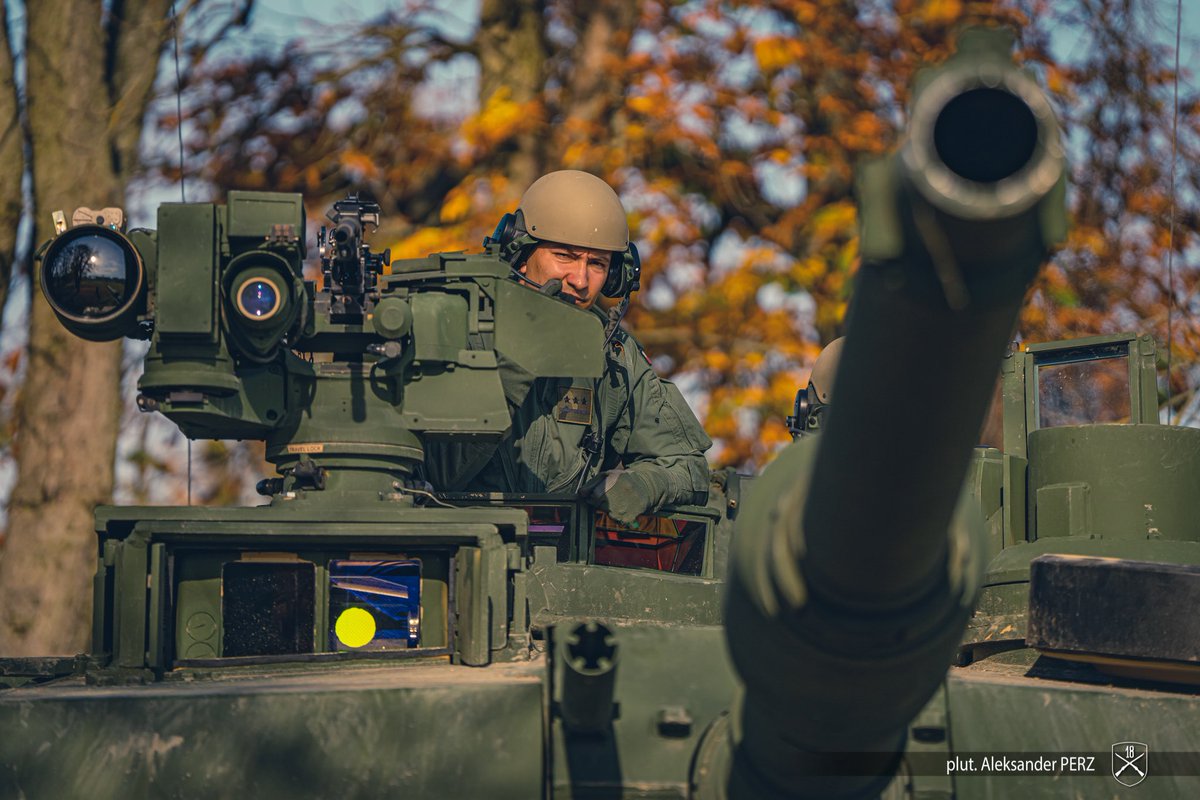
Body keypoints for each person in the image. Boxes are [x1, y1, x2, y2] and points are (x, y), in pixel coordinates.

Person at [424, 170, 711, 525]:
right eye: (565, 256)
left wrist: (646, 484)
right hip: (461, 556)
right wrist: (514, 366)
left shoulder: (614, 354)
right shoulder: (459, 329)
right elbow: (436, 473)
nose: (580, 279)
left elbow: (690, 466)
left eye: (597, 264)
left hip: (565, 568)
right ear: (522, 253)